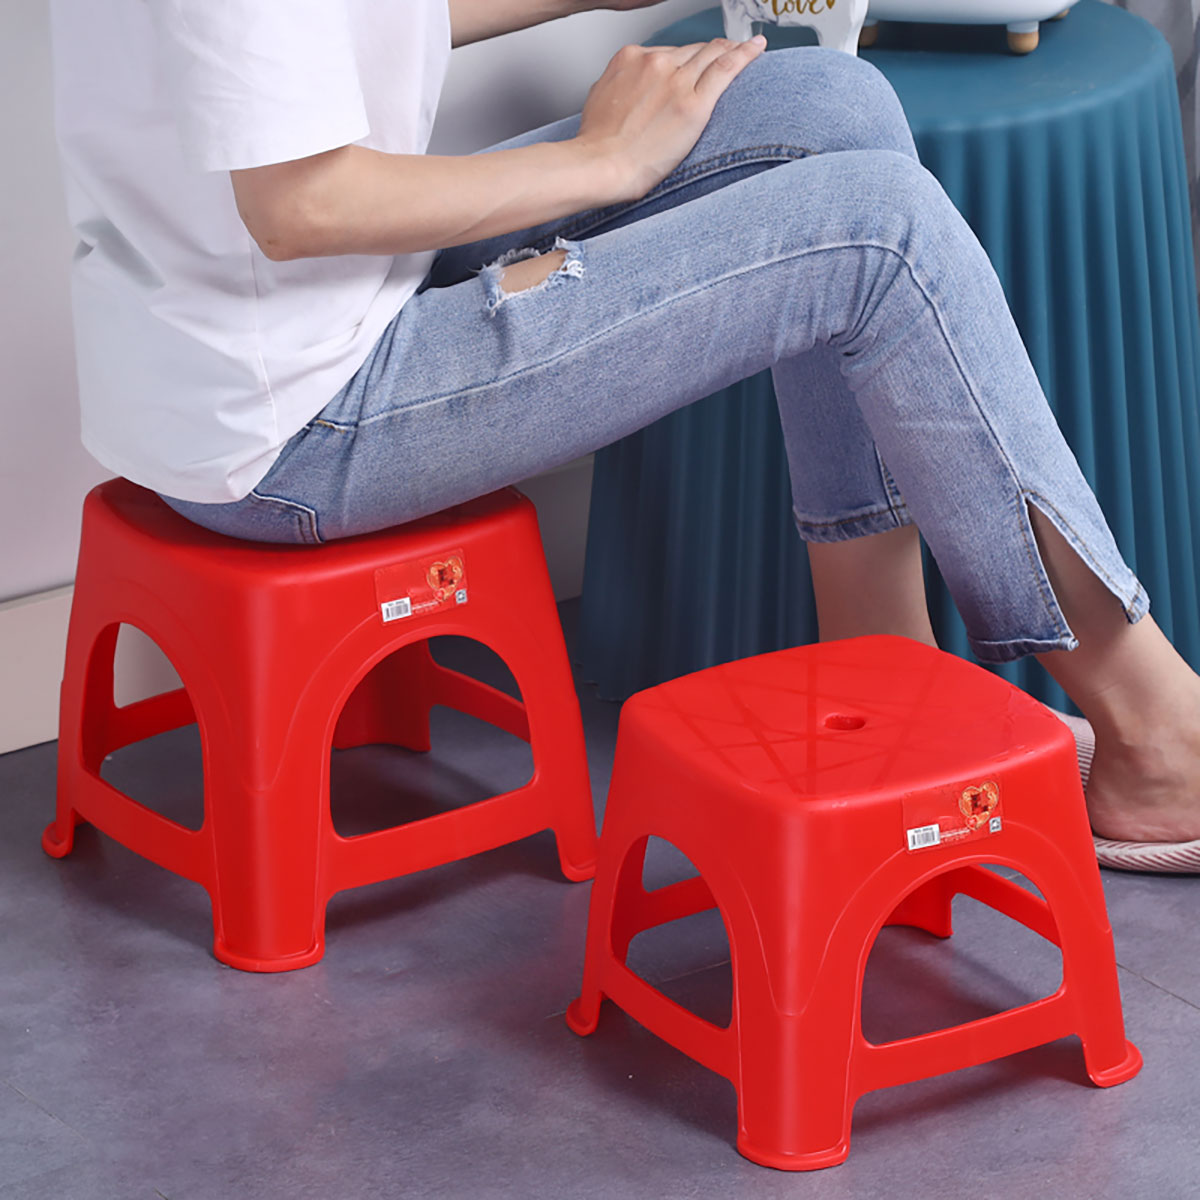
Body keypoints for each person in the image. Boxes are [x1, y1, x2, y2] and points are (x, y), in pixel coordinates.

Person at [49, 0, 1200, 872]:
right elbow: (297, 207)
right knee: (883, 235)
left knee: (828, 106)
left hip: (290, 323)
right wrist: (603, 161)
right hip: (300, 417)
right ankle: (1155, 740)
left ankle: (881, 662)